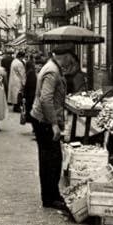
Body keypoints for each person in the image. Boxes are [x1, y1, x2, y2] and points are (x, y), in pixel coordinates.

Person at [30, 43, 75, 210]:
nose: (68, 64)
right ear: (62, 57)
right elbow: (45, 98)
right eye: (68, 61)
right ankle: (50, 197)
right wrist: (54, 124)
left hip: (43, 119)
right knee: (52, 160)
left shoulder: (52, 68)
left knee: (51, 159)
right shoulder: (52, 71)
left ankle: (51, 195)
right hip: (45, 121)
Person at [23, 54, 37, 130]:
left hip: (30, 95)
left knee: (30, 110)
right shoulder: (32, 73)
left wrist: (24, 95)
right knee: (31, 110)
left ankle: (34, 127)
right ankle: (34, 127)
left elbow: (28, 85)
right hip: (32, 94)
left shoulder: (29, 73)